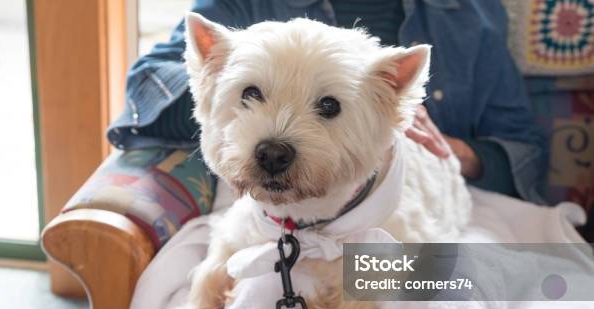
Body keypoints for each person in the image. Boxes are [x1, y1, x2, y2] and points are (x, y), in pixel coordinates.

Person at [108, 0, 547, 204]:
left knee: (428, 302)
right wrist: (239, 77)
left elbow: (525, 150)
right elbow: (148, 85)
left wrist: (451, 153)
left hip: (431, 210)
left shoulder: (470, 14)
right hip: (269, 218)